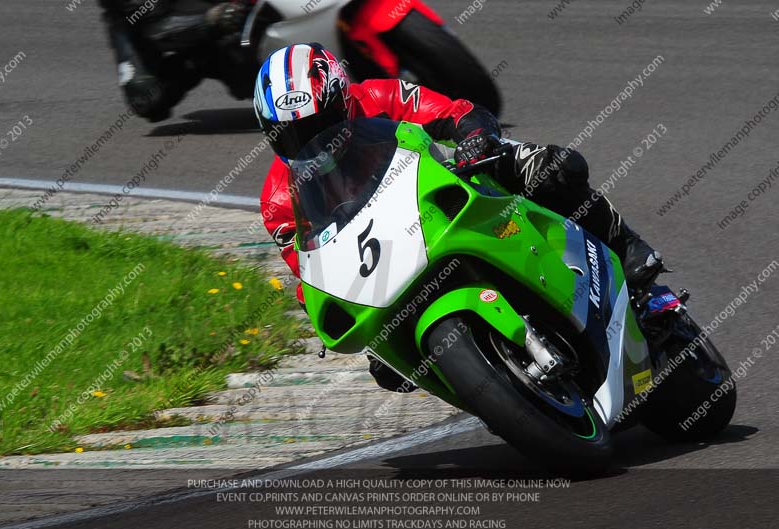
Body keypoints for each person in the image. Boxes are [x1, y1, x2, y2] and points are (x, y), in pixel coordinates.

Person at [256, 43, 663, 392]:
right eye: (290, 135)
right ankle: (495, 384)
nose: (311, 143)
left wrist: (473, 139)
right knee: (387, 366)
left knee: (549, 168)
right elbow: (311, 271)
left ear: (342, 99)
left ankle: (627, 248)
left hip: (449, 185)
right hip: (386, 255)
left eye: (318, 125)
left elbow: (458, 112)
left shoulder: (378, 97)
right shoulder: (278, 200)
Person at [98, 0, 255, 122]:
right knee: (147, 100)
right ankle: (198, 61)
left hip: (203, 9)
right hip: (144, 27)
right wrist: (210, 21)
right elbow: (158, 32)